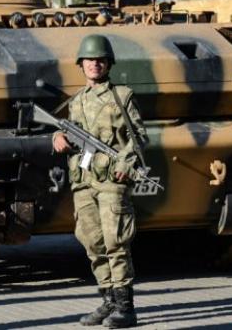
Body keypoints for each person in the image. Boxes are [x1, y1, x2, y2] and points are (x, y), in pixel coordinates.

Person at [53, 34, 146, 328]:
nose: (95, 64)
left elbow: (140, 138)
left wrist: (125, 163)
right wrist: (57, 138)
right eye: (90, 60)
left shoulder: (122, 96)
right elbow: (67, 132)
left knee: (115, 241)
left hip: (111, 181)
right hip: (83, 181)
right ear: (81, 64)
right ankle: (108, 301)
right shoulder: (77, 101)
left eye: (100, 60)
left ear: (108, 64)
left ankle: (126, 307)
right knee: (92, 242)